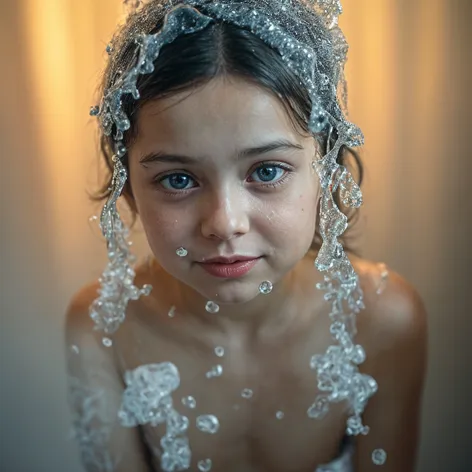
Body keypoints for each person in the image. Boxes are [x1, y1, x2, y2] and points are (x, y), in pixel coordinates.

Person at [64, 1, 428, 471]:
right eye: (178, 179)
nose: (224, 222)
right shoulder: (102, 328)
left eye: (267, 170)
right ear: (129, 188)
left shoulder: (383, 319)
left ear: (327, 171)